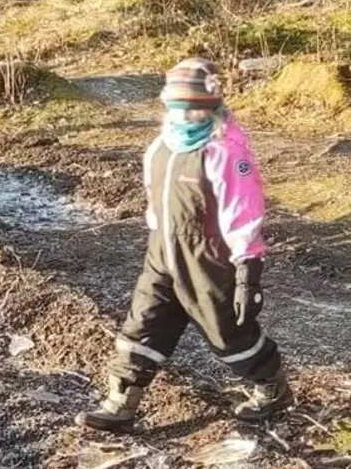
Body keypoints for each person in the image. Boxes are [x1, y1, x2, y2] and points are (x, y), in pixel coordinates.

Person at [76, 58, 291, 433]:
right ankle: (121, 401)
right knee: (143, 322)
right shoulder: (160, 147)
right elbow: (153, 197)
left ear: (212, 106)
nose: (188, 115)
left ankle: (271, 387)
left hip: (208, 257)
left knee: (227, 330)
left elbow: (242, 209)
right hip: (163, 253)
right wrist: (158, 233)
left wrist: (247, 270)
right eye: (180, 108)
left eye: (196, 107)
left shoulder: (225, 151)